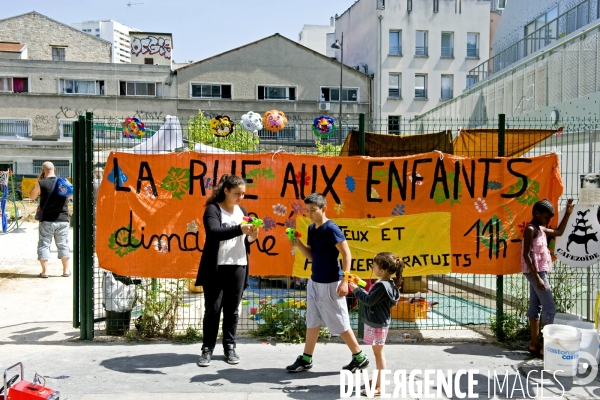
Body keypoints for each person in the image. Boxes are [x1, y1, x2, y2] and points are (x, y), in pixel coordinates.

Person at [286, 192, 369, 373]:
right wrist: (298, 244)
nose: (309, 214)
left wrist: (345, 281)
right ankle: (306, 359)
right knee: (312, 320)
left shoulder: (332, 228)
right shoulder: (310, 229)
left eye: (313, 210)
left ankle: (360, 357)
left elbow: (347, 254)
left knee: (340, 322)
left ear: (324, 209)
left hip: (332, 282)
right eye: (307, 211)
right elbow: (312, 256)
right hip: (315, 281)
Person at [195, 174, 258, 367]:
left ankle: (229, 347)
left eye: (243, 194)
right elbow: (214, 233)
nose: (241, 198)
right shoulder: (213, 209)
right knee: (213, 309)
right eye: (237, 193)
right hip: (216, 267)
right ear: (226, 191)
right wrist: (241, 229)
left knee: (232, 310)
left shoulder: (242, 210)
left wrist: (252, 236)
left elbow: (245, 241)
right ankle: (207, 349)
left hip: (238, 265)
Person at [522, 198, 574, 357]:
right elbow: (526, 255)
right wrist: (537, 278)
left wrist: (568, 213)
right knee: (550, 307)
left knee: (535, 305)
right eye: (546, 217)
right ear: (537, 214)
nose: (548, 220)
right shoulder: (531, 229)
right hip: (535, 272)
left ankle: (535, 344)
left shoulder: (541, 228)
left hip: (537, 272)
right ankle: (547, 347)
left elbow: (558, 232)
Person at [348, 252, 402, 397]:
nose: (372, 267)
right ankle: (379, 379)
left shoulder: (382, 286)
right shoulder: (388, 284)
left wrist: (356, 290)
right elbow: (373, 298)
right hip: (379, 322)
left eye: (375, 265)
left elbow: (368, 300)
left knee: (379, 355)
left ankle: (379, 387)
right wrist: (360, 285)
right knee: (377, 353)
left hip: (378, 323)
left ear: (383, 270)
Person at [28, 161, 71, 278]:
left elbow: (31, 196)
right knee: (63, 245)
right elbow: (71, 195)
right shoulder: (64, 182)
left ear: (43, 171)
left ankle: (45, 272)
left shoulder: (40, 183)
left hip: (46, 220)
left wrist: (39, 180)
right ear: (55, 169)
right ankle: (66, 271)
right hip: (62, 219)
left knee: (44, 245)